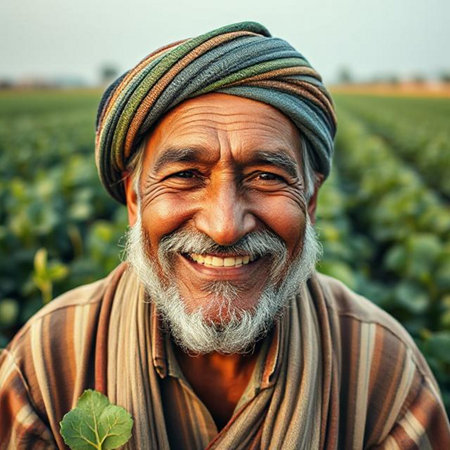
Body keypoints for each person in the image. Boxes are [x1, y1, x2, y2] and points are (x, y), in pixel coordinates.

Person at [0, 21, 449, 449]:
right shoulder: (46, 368)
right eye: (186, 175)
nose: (225, 225)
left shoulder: (382, 377)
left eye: (266, 176)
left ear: (310, 203)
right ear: (135, 201)